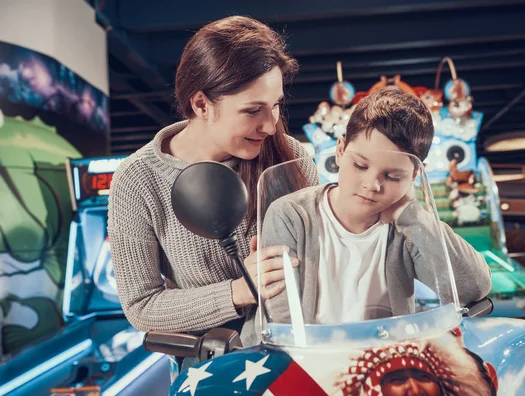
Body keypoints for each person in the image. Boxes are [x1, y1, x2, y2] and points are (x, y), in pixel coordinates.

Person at [107, 16, 318, 345]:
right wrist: (241, 291)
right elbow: (141, 306)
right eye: (252, 111)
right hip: (211, 369)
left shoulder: (291, 154)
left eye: (275, 105)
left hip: (300, 351)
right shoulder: (137, 180)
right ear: (202, 104)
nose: (269, 125)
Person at [260, 89, 492, 325]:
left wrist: (409, 215)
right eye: (360, 165)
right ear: (340, 150)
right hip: (307, 358)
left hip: (385, 358)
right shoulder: (291, 215)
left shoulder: (407, 229)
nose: (372, 185)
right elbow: (281, 320)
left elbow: (472, 287)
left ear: (414, 175)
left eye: (393, 176)